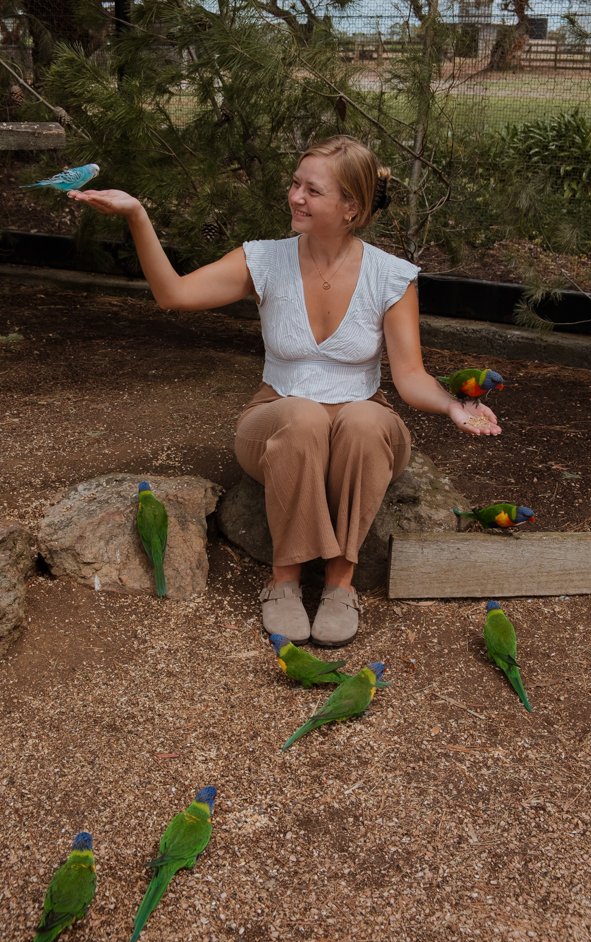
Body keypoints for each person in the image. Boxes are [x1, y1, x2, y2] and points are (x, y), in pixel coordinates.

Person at [69, 135, 501, 647]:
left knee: (364, 421)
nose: (295, 196)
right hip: (276, 416)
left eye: (312, 191)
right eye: (295, 184)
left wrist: (454, 405)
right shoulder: (264, 260)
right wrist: (137, 215)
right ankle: (285, 579)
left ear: (351, 207)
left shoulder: (391, 276)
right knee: (304, 417)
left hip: (360, 421)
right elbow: (174, 293)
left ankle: (340, 584)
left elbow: (408, 378)